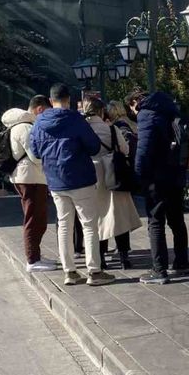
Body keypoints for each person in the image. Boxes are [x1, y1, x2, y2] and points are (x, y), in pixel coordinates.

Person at [30, 84, 115, 286]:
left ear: (51, 101)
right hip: (80, 178)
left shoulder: (40, 122)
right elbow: (94, 146)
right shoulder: (76, 119)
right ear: (68, 99)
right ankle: (94, 271)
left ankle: (70, 272)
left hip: (55, 180)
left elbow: (34, 151)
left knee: (64, 225)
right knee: (89, 225)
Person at [131, 91, 189, 285]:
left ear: (136, 102)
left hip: (156, 176)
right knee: (177, 220)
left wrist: (139, 176)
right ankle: (182, 263)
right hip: (175, 173)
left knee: (156, 221)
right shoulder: (173, 111)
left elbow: (143, 150)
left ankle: (159, 269)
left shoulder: (146, 114)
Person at [84, 98, 141, 270]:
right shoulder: (111, 128)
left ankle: (100, 258)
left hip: (91, 176)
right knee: (119, 217)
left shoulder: (83, 130)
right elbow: (125, 149)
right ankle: (124, 257)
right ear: (102, 112)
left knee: (97, 218)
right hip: (113, 174)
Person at [2, 94, 54, 272]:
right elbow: (35, 155)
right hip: (30, 178)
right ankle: (32, 260)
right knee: (34, 218)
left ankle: (35, 255)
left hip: (28, 177)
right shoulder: (26, 127)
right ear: (40, 109)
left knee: (37, 217)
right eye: (47, 112)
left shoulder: (20, 125)